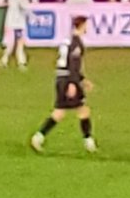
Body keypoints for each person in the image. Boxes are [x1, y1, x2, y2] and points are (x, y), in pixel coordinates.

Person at [31, 16, 97, 153]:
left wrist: (83, 80)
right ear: (82, 25)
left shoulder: (66, 42)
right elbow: (73, 65)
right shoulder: (76, 43)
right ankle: (88, 141)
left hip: (61, 78)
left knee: (61, 112)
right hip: (68, 80)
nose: (87, 28)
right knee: (82, 110)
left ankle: (39, 137)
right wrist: (73, 83)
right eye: (86, 25)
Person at [1, 0, 34, 69]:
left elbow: (27, 11)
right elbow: (21, 7)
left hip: (20, 25)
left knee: (20, 44)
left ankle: (21, 63)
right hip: (12, 25)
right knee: (10, 45)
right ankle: (4, 61)